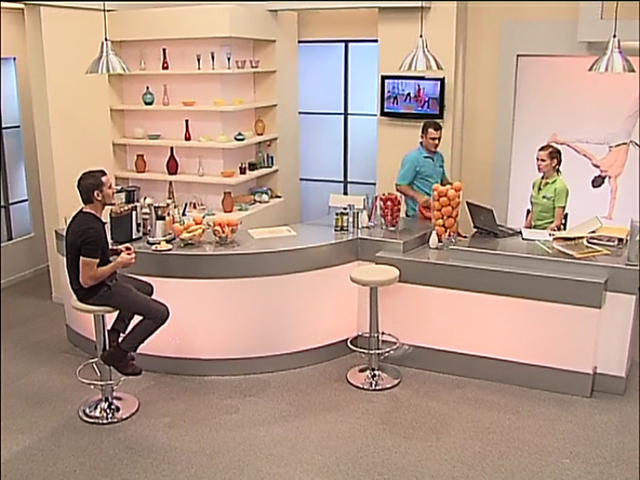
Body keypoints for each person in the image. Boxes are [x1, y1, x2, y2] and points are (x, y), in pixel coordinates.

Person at [65, 169, 170, 376]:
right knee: (160, 313)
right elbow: (87, 279)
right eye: (110, 187)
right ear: (97, 195)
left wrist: (115, 251)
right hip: (94, 291)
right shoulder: (91, 231)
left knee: (145, 289)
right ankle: (119, 353)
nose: (115, 191)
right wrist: (117, 264)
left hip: (101, 282)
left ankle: (114, 334)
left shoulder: (86, 219)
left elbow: (92, 255)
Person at [549, 96, 639, 220]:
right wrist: (565, 143)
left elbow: (613, 196)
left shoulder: (614, 176)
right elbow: (582, 152)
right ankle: (559, 139)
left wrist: (610, 214)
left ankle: (559, 140)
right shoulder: (600, 165)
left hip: (623, 140)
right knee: (587, 139)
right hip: (617, 140)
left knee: (633, 115)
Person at [396, 120, 451, 218]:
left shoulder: (439, 157)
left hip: (436, 214)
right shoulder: (412, 158)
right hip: (416, 216)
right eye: (433, 139)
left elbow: (442, 180)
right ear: (423, 137)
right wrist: (419, 197)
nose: (437, 142)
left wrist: (453, 188)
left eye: (439, 139)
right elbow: (400, 185)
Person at [524, 144, 570, 231]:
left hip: (548, 233)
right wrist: (524, 230)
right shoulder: (536, 183)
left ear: (554, 162)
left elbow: (557, 222)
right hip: (534, 231)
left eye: (543, 160)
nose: (538, 163)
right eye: (537, 160)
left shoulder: (560, 187)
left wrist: (543, 234)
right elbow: (533, 211)